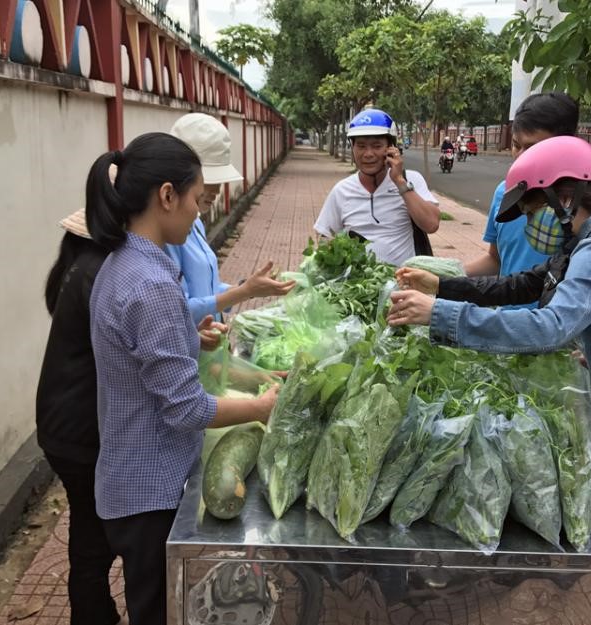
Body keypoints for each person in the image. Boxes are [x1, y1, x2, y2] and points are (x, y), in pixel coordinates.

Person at [388, 136, 591, 625]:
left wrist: (441, 314)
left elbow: (547, 327)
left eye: (534, 206)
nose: (530, 220)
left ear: (566, 200)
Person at [86, 132, 280, 625]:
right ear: (166, 196)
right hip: (148, 491)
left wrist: (209, 350)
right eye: (197, 199)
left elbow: (148, 358)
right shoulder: (150, 284)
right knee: (155, 612)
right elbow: (187, 408)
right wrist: (261, 408)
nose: (200, 212)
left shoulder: (123, 265)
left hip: (130, 477)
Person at [35, 209, 118, 625]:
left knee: (89, 529)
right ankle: (92, 615)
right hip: (78, 428)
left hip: (61, 423)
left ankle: (95, 612)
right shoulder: (98, 275)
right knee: (94, 535)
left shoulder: (77, 265)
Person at [166, 113, 295, 325]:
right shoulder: (169, 235)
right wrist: (244, 291)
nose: (217, 190)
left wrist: (250, 288)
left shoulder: (195, 222)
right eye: (208, 180)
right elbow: (175, 311)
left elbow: (208, 287)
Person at [463, 92, 580, 302]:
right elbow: (495, 260)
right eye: (517, 145)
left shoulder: (584, 205)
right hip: (506, 325)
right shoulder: (504, 193)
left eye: (533, 148)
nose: (521, 157)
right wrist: (443, 275)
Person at [314, 108, 440, 265]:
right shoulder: (342, 190)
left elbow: (431, 224)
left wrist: (399, 182)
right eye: (361, 146)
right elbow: (324, 236)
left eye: (376, 146)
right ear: (352, 148)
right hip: (360, 286)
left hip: (405, 285)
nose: (368, 154)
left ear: (391, 148)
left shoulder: (411, 180)